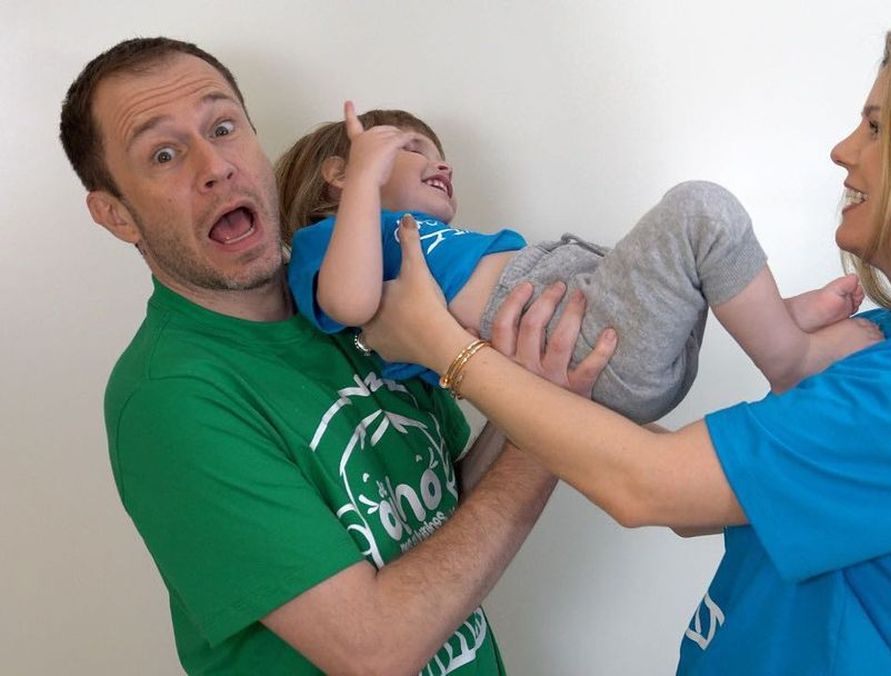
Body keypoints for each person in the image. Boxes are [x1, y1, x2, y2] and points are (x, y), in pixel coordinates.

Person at [361, 19, 891, 674]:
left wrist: (442, 347)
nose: (842, 151)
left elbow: (648, 488)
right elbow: (707, 496)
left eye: (876, 127)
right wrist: (549, 384)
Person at [60, 37, 614, 675]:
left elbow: (442, 511)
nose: (215, 166)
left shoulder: (361, 295)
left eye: (223, 126)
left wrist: (538, 395)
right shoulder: (170, 398)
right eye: (164, 153)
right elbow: (373, 650)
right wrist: (548, 430)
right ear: (115, 215)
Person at [276, 103, 880, 423]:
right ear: (340, 174)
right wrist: (362, 180)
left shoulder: (421, 237)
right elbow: (349, 303)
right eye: (409, 149)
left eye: (439, 154)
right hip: (591, 345)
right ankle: (791, 357)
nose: (442, 164)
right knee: (701, 210)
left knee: (681, 254)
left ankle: (777, 316)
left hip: (590, 316)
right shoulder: (331, 240)